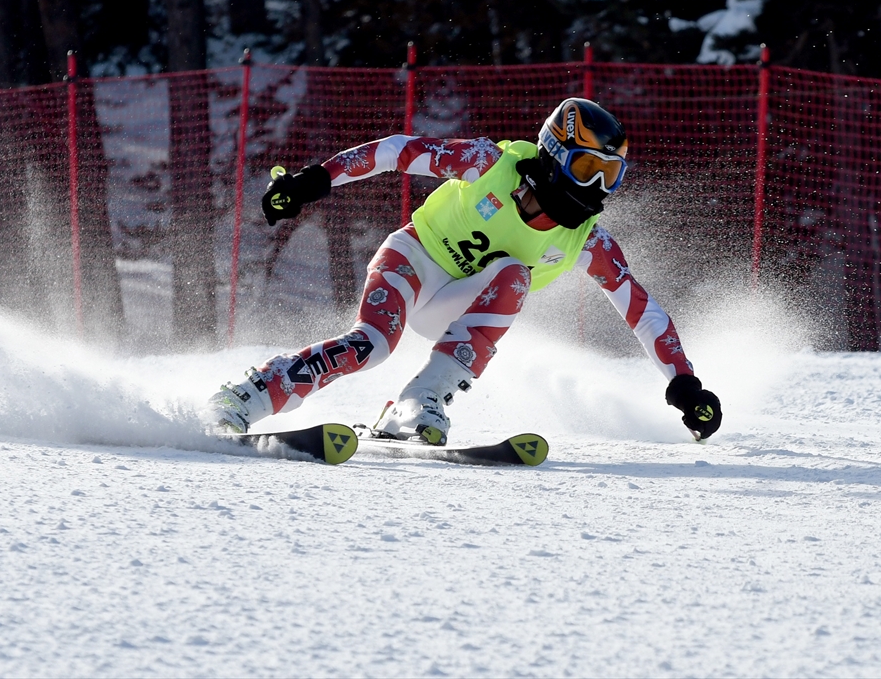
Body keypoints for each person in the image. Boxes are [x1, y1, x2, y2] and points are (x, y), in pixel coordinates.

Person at [207, 97, 722, 444]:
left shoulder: (586, 239)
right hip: (413, 259)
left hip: (457, 303)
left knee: (515, 274)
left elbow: (641, 311)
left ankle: (419, 401)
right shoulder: (486, 163)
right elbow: (395, 152)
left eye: (610, 175)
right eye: (588, 169)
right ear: (554, 153)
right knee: (371, 345)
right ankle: (251, 395)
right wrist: (312, 182)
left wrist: (685, 385)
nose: (597, 188)